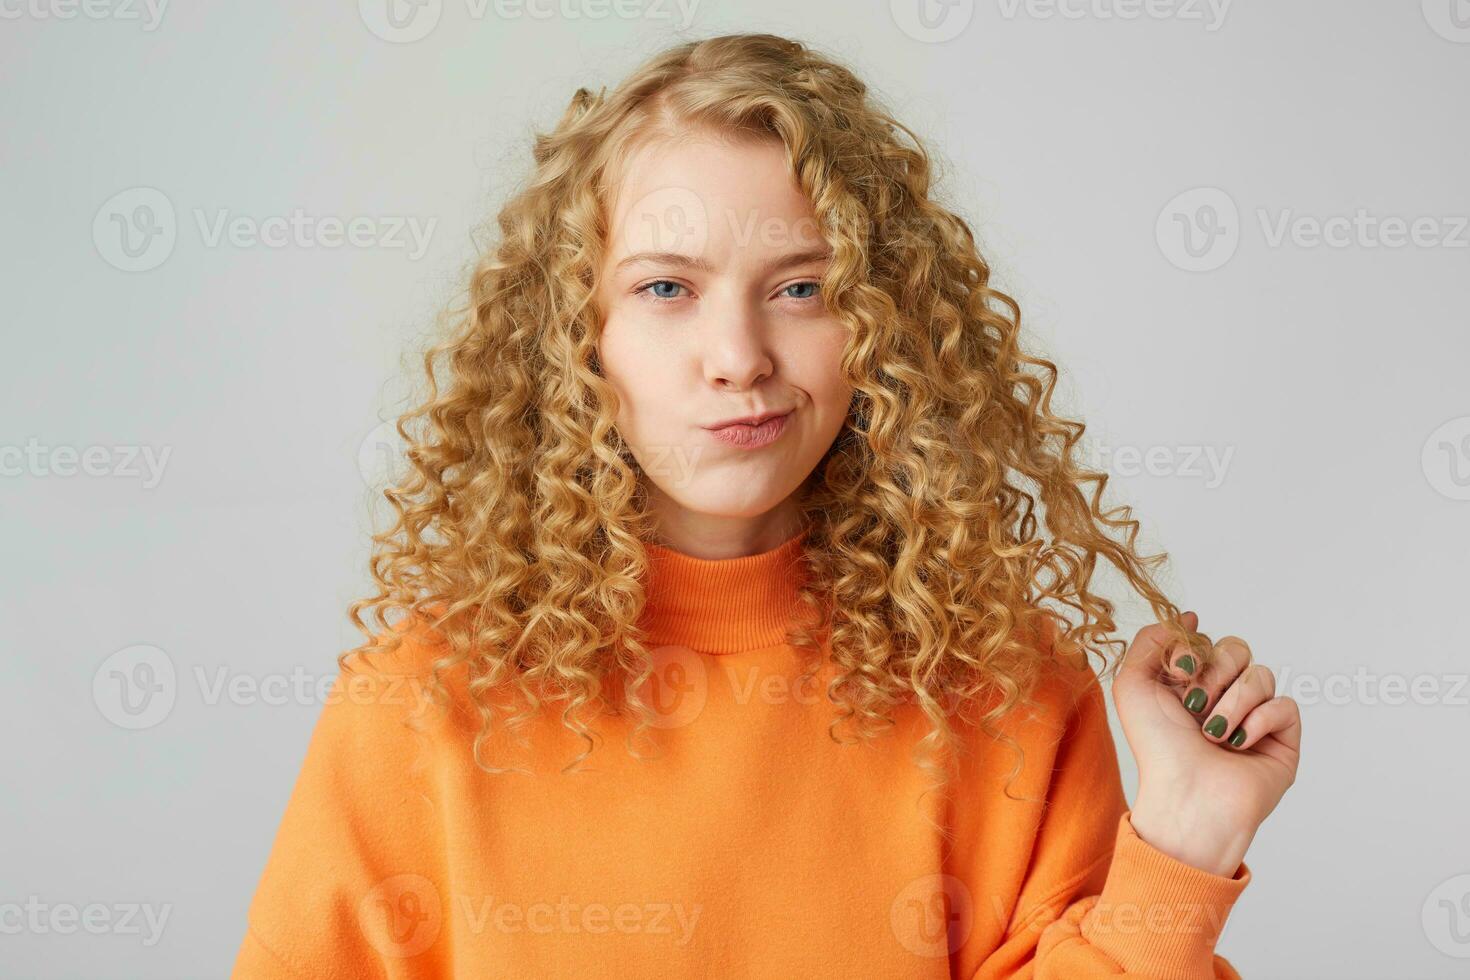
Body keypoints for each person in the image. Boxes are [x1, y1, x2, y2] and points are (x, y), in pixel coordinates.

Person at [231, 33, 1300, 979]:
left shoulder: (1007, 692)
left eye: (801, 286)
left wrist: (1186, 837)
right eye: (665, 288)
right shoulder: (420, 704)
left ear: (882, 323)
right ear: (573, 333)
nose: (739, 358)